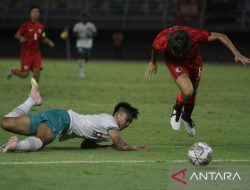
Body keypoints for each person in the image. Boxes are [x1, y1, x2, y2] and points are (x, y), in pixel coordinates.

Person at [145, 26, 250, 137]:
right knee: (188, 91)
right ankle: (177, 109)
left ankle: (187, 117)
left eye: (182, 52)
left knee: (193, 90)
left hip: (194, 61)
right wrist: (153, 62)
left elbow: (220, 35)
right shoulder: (162, 39)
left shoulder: (195, 35)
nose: (179, 55)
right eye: (176, 52)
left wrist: (236, 53)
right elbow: (155, 49)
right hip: (175, 63)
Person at [0, 78, 150, 153]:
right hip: (63, 120)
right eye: (127, 119)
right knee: (41, 141)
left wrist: (108, 147)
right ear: (117, 115)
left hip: (58, 116)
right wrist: (137, 149)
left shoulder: (105, 127)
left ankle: (32, 100)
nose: (128, 124)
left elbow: (86, 145)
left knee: (6, 122)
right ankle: (16, 146)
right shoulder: (109, 120)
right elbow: (120, 145)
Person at [7, 5, 55, 83]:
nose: (35, 13)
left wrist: (49, 41)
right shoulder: (25, 25)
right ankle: (13, 71)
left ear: (39, 14)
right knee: (25, 75)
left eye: (37, 12)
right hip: (26, 53)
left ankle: (32, 94)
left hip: (36, 53)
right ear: (30, 14)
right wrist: (21, 38)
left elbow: (42, 37)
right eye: (33, 12)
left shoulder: (41, 26)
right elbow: (17, 35)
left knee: (37, 73)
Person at [73, 12, 97, 78]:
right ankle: (81, 71)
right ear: (81, 18)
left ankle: (80, 62)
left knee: (87, 57)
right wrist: (77, 36)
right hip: (80, 42)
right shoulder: (78, 25)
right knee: (81, 55)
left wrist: (91, 35)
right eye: (83, 17)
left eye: (86, 17)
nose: (84, 18)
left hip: (88, 42)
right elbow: (74, 32)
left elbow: (95, 32)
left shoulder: (91, 25)